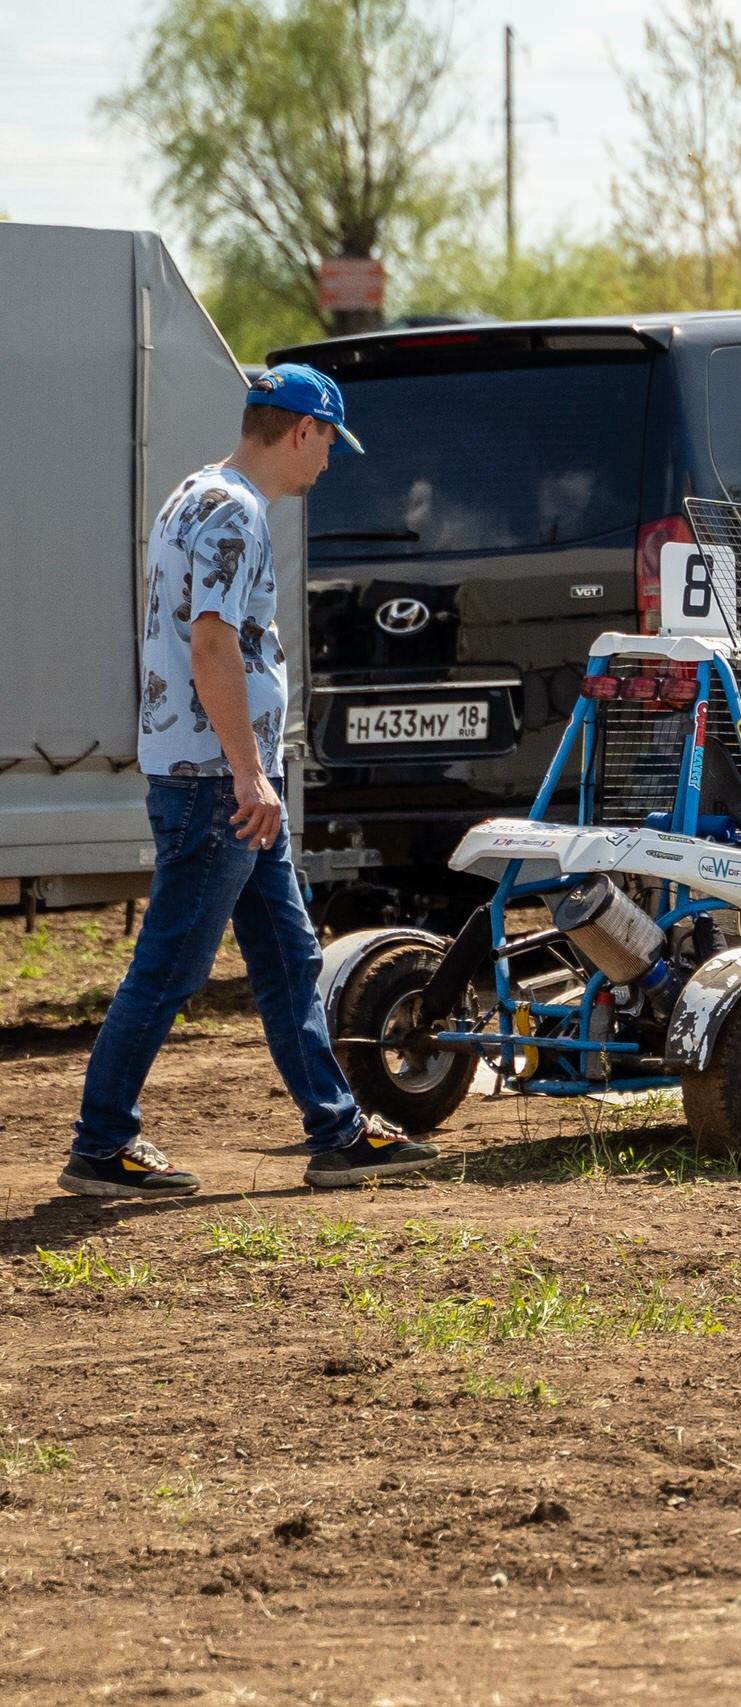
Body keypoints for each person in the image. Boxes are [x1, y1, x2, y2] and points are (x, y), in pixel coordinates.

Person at [59, 366, 441, 1199]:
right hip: (219, 783)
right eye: (330, 441)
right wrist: (246, 773)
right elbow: (211, 644)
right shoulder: (234, 512)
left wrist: (250, 771)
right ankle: (101, 1141)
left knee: (288, 957)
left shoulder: (192, 493)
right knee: (170, 965)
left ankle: (337, 1131)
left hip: (223, 779)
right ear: (302, 429)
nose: (329, 461)